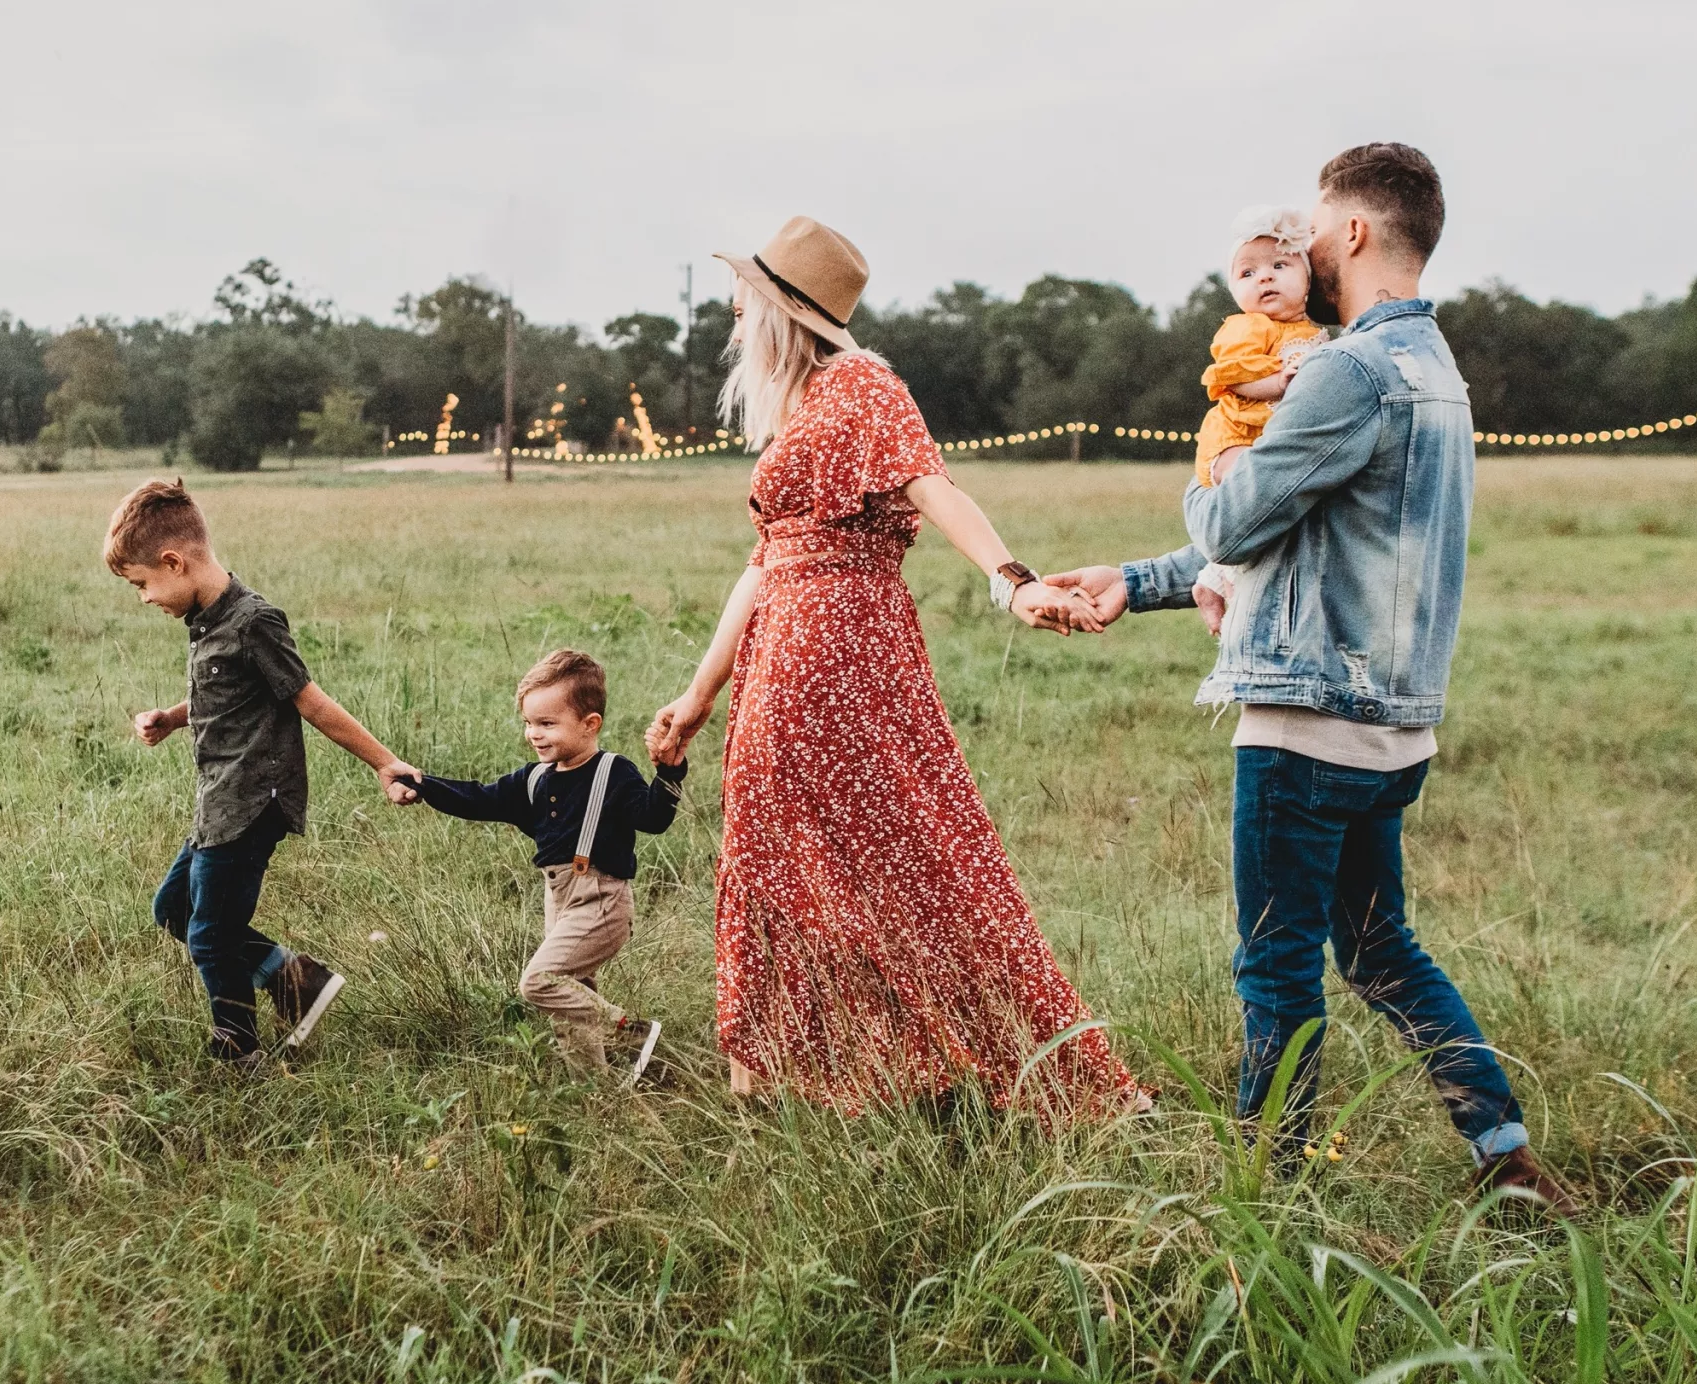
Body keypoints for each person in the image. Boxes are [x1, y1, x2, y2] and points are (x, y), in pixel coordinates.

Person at [1046, 145, 1576, 1210]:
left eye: (1313, 228)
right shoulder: (1434, 370)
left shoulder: (1344, 370)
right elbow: (1305, 536)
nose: (1298, 249)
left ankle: (1265, 1187)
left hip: (1306, 721)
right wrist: (1138, 580)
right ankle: (1504, 1154)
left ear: (1354, 234)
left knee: (1274, 962)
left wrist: (1217, 474)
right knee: (1380, 951)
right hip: (1392, 728)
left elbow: (1240, 518)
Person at [645, 215, 1144, 1118]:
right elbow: (763, 564)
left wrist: (1012, 580)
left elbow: (934, 485)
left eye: (743, 295)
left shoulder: (863, 385)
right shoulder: (798, 406)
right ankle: (803, 1076)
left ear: (781, 310)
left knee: (911, 859)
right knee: (779, 860)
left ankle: (976, 1065)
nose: (729, 309)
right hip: (785, 654)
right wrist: (697, 694)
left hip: (840, 651)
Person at [106, 478, 414, 1069]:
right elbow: (225, 698)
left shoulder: (254, 622)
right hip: (217, 802)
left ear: (174, 561)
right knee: (173, 909)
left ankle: (238, 1050)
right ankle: (297, 982)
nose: (144, 598)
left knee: (210, 935)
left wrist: (385, 763)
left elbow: (309, 701)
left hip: (251, 803)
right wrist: (174, 717)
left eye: (142, 584)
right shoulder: (207, 623)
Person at [391, 648, 684, 1080]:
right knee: (571, 999)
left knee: (541, 982)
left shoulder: (613, 773)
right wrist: (422, 784)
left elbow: (654, 819)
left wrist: (669, 774)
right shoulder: (534, 780)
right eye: (529, 723)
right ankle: (594, 1093)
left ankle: (631, 1031)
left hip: (601, 899)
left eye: (547, 723)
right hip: (559, 899)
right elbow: (477, 798)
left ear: (590, 724)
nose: (535, 734)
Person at [1192, 207, 1326, 636]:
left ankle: (1214, 580)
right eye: (1247, 273)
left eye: (1279, 266)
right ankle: (1221, 582)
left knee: (1272, 511)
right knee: (1250, 497)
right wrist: (1279, 382)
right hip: (1234, 437)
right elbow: (1233, 378)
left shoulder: (1313, 332)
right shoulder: (1247, 328)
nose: (1264, 278)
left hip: (1267, 439)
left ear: (1308, 280)